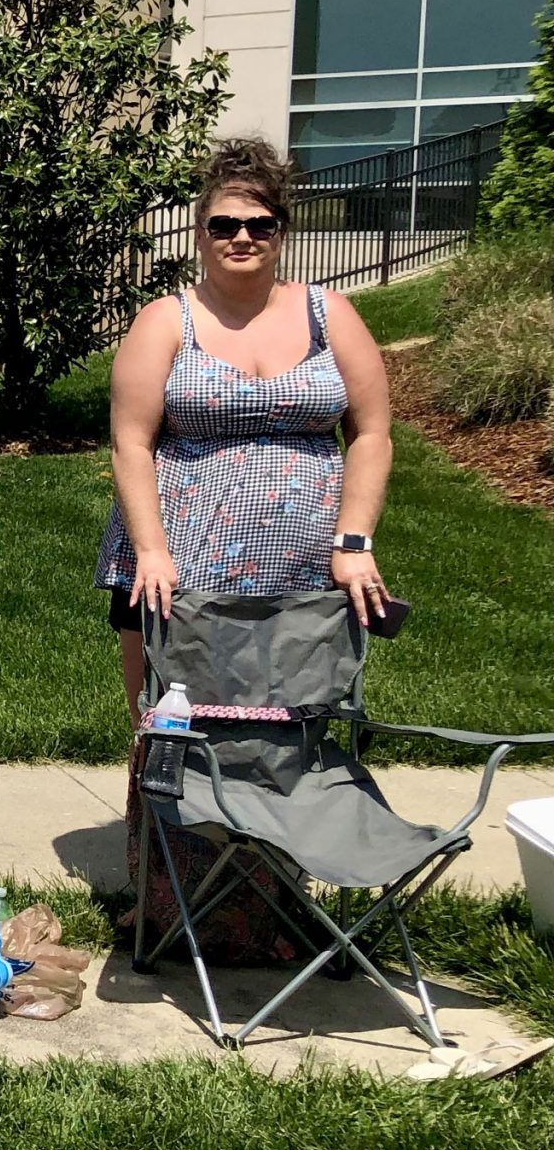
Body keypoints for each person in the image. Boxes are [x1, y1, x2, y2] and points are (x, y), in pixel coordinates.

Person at [98, 137, 391, 959]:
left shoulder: (332, 315)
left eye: (260, 224)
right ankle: (169, 907)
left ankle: (272, 905)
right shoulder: (168, 319)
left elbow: (371, 433)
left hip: (303, 571)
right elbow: (130, 440)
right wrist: (151, 550)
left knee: (283, 726)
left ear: (282, 230)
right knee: (175, 730)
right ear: (199, 230)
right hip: (178, 569)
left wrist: (354, 541)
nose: (242, 238)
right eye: (225, 223)